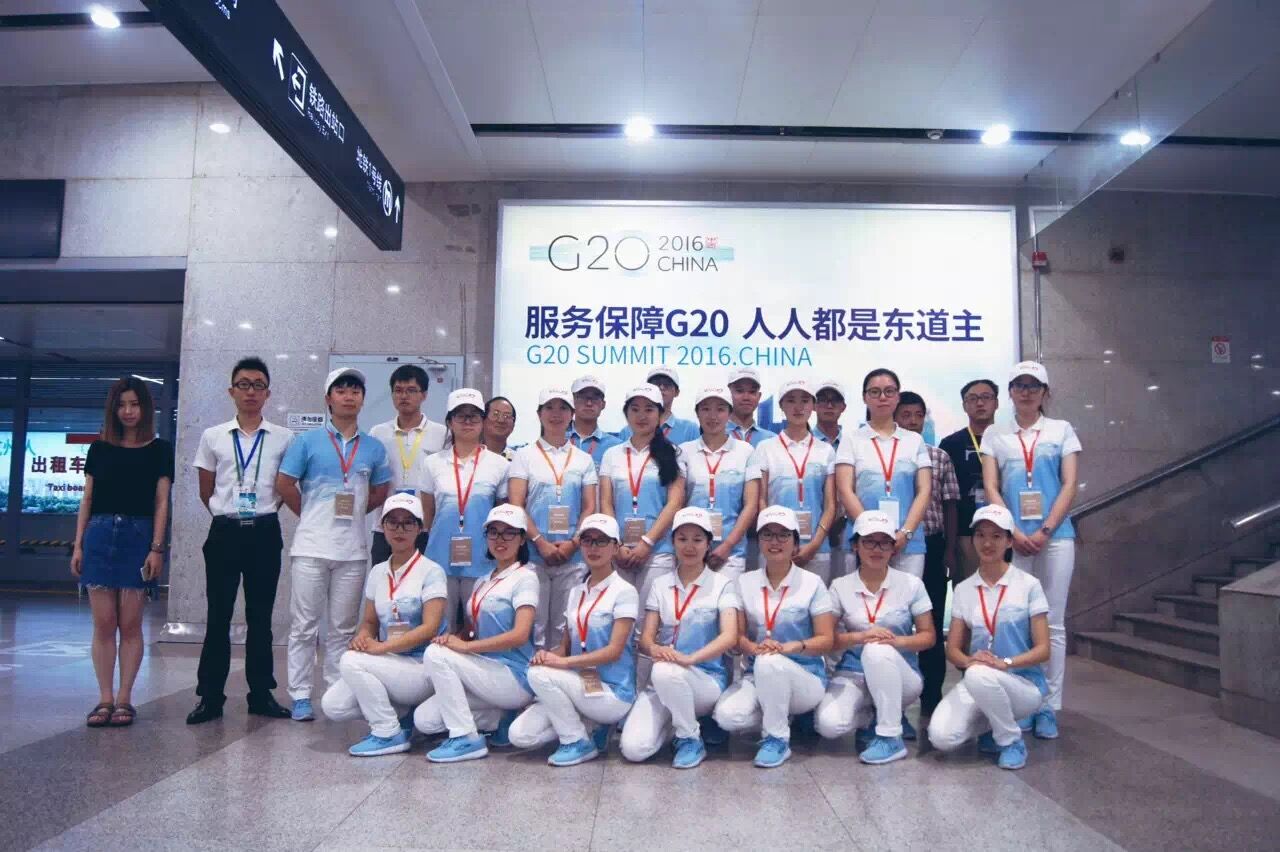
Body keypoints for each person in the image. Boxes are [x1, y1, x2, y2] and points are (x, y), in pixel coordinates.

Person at [276, 368, 392, 721]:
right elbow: (284, 485)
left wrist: (354, 513)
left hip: (352, 552)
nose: (348, 396)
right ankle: (299, 694)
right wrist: (312, 512)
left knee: (342, 629)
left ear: (362, 399)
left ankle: (335, 692)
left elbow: (380, 492)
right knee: (304, 627)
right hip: (311, 548)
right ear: (329, 398)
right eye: (341, 390)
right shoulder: (306, 442)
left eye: (355, 390)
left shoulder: (373, 447)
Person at [187, 357, 293, 725]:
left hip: (265, 530)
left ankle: (261, 694)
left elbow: (285, 488)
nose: (251, 391)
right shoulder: (213, 436)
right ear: (231, 391)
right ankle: (210, 697)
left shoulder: (284, 438)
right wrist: (228, 514)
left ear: (268, 393)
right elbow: (206, 490)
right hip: (225, 532)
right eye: (244, 384)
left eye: (258, 385)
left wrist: (262, 513)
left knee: (260, 618)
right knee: (218, 616)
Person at [979, 360, 1080, 739]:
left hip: (1057, 537)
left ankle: (1049, 706)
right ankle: (1023, 700)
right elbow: (992, 486)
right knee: (1016, 621)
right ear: (1010, 392)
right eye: (1019, 386)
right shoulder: (996, 433)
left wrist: (1046, 529)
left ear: (1045, 393)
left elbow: (1069, 484)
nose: (1026, 392)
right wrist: (1014, 531)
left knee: (1052, 622)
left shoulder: (1061, 430)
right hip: (1014, 538)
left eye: (1033, 386)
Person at [71, 376, 173, 728]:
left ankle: (125, 698)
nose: (128, 411)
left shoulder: (160, 450)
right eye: (122, 405)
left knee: (130, 624)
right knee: (103, 623)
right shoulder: (99, 449)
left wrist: (157, 548)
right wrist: (78, 544)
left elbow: (161, 502)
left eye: (134, 404)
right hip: (99, 535)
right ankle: (105, 698)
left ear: (145, 408)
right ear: (113, 410)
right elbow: (87, 498)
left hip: (137, 536)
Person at [321, 493, 448, 755]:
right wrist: (363, 637)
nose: (399, 530)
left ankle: (387, 731)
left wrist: (381, 647)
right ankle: (401, 712)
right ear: (383, 527)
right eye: (393, 522)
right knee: (333, 705)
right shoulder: (378, 572)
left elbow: (430, 628)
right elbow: (369, 621)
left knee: (351, 661)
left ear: (419, 528)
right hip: (391, 664)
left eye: (408, 523)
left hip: (421, 667)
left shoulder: (432, 571)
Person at [927, 505, 1052, 771]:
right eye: (980, 535)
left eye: (996, 536)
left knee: (978, 674)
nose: (987, 543)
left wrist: (1004, 663)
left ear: (1009, 541)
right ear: (972, 539)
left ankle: (1010, 740)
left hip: (1023, 685)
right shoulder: (964, 589)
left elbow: (1043, 650)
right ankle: (994, 724)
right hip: (980, 679)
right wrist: (969, 661)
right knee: (941, 737)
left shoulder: (1028, 585)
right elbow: (953, 650)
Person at [509, 513, 638, 766]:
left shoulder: (625, 592)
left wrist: (561, 664)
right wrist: (547, 657)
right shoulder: (576, 591)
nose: (593, 548)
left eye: (601, 541)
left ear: (616, 547)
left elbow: (614, 651)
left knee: (541, 675)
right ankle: (591, 727)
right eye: (587, 541)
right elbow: (566, 647)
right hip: (579, 686)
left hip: (611, 692)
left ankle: (576, 741)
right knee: (520, 735)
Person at [713, 506, 835, 769]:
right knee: (727, 717)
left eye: (783, 535)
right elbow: (738, 637)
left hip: (805, 677)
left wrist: (792, 647)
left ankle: (776, 738)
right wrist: (754, 648)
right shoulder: (744, 582)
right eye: (767, 535)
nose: (775, 542)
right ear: (759, 542)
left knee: (771, 662)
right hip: (757, 674)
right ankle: (781, 714)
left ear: (795, 543)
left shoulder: (812, 583)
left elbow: (827, 639)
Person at [416, 505, 539, 763]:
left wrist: (466, 648)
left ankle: (466, 738)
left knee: (435, 655)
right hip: (485, 672)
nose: (500, 540)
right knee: (425, 720)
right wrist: (456, 640)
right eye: (494, 533)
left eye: (509, 533)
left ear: (521, 539)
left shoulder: (526, 577)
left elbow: (520, 635)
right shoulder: (483, 580)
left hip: (514, 676)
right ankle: (500, 717)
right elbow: (472, 629)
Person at [621, 508, 741, 769]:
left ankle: (689, 738)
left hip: (705, 679)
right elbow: (646, 639)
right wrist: (656, 649)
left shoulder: (722, 584)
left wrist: (690, 659)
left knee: (665, 671)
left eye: (697, 539)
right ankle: (678, 725)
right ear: (673, 542)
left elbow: (730, 636)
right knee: (633, 749)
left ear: (708, 544)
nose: (689, 546)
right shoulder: (660, 584)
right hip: (664, 680)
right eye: (682, 539)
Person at [815, 511, 934, 765]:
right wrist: (861, 637)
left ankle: (890, 737)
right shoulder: (840, 586)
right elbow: (826, 639)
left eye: (884, 543)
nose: (876, 549)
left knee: (877, 650)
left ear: (893, 548)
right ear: (855, 546)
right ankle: (871, 717)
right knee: (828, 725)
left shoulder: (911, 584)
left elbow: (929, 637)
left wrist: (895, 642)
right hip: (853, 674)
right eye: (869, 541)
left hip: (902, 677)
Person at [507, 388, 599, 649]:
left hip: (573, 556)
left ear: (572, 414)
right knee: (533, 623)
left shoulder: (583, 460)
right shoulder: (524, 456)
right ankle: (532, 671)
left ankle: (559, 670)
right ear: (539, 414)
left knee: (565, 624)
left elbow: (590, 506)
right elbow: (516, 505)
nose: (556, 414)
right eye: (549, 408)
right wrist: (540, 542)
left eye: (562, 408)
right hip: (534, 554)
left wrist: (574, 542)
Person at [419, 388, 511, 636]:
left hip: (482, 559)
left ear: (483, 422)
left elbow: (501, 514)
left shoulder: (499, 464)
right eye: (461, 416)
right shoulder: (432, 463)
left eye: (474, 416)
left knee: (479, 628)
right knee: (440, 629)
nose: (468, 421)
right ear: (450, 422)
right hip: (439, 559)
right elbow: (428, 514)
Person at [893, 390, 960, 718]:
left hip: (930, 545)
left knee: (929, 617)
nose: (912, 421)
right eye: (905, 415)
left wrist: (950, 549)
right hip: (890, 545)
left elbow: (950, 505)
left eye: (917, 415)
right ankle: (895, 694)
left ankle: (932, 693)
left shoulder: (939, 456)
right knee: (895, 617)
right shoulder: (887, 455)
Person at [597, 384, 686, 619]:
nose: (641, 416)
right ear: (626, 414)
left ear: (660, 414)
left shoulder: (674, 454)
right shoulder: (612, 455)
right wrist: (616, 544)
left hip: (658, 552)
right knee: (618, 618)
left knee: (651, 621)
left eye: (649, 409)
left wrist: (647, 543)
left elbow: (674, 503)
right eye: (635, 409)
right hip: (619, 552)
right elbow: (606, 502)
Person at [834, 368, 932, 579]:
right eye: (875, 392)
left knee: (906, 598)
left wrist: (905, 532)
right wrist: (870, 532)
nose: (882, 397)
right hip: (862, 541)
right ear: (865, 397)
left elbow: (924, 491)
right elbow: (845, 489)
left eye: (889, 391)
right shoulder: (852, 439)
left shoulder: (914, 441)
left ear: (897, 397)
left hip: (907, 542)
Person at [747, 380, 837, 584]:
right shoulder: (765, 448)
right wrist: (776, 540)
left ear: (813, 406)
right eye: (791, 401)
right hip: (774, 548)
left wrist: (814, 545)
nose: (798, 407)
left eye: (805, 401)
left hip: (816, 549)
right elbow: (761, 501)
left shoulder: (826, 451)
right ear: (781, 405)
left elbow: (831, 505)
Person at [678, 386, 760, 582]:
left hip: (732, 553)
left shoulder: (746, 451)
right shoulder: (683, 452)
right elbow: (678, 502)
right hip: (691, 551)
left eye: (720, 409)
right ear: (697, 413)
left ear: (730, 414)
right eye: (706, 409)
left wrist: (728, 545)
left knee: (728, 600)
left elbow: (751, 505)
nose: (712, 416)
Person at [367, 364, 447, 564]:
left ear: (424, 395)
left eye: (411, 390)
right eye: (398, 390)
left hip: (424, 527)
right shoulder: (378, 433)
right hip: (386, 526)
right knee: (383, 580)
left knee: (423, 581)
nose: (404, 396)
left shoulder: (442, 433)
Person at [939, 379, 1000, 585]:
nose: (980, 403)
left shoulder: (1009, 440)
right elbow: (945, 499)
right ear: (964, 406)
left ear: (996, 403)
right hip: (966, 533)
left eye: (986, 397)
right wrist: (950, 546)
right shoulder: (951, 444)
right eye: (972, 399)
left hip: (1006, 531)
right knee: (969, 594)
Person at [814, 379, 849, 578]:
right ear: (814, 405)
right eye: (823, 400)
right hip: (812, 530)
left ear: (843, 407)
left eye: (834, 401)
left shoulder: (854, 444)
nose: (829, 405)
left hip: (847, 530)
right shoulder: (802, 443)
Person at [616, 366, 700, 445]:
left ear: (677, 392)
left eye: (667, 384)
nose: (661, 388)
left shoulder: (690, 430)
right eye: (656, 384)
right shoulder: (627, 432)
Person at [568, 375, 622, 468]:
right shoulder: (557, 439)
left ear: (603, 404)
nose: (589, 403)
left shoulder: (616, 446)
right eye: (583, 397)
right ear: (572, 401)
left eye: (595, 398)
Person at [726, 367, 777, 447]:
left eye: (752, 392)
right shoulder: (713, 435)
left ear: (759, 396)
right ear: (730, 394)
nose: (746, 397)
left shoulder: (772, 439)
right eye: (739, 391)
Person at [482, 396, 518, 460]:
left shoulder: (518, 460)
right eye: (495, 414)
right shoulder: (469, 455)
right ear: (483, 420)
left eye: (506, 416)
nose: (501, 420)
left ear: (513, 425)